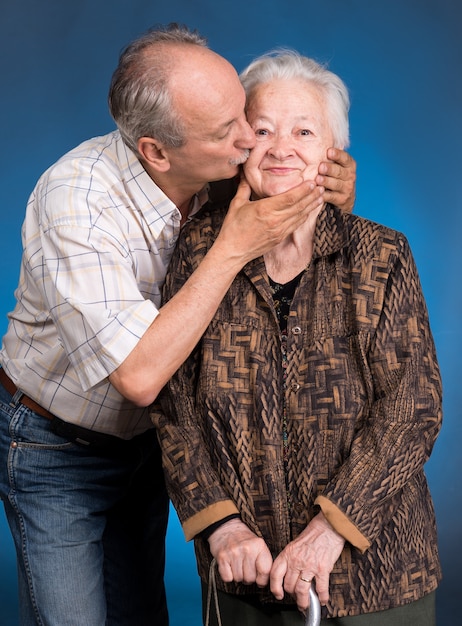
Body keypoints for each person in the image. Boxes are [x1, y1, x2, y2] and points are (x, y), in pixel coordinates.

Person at [0, 25, 356, 626]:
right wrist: (231, 249)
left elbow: (300, 213)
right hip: (55, 445)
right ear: (156, 152)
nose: (251, 141)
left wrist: (335, 190)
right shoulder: (75, 203)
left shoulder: (219, 167)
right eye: (230, 132)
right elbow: (138, 378)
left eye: (245, 117)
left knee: (142, 611)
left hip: (151, 445)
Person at [154, 50, 442, 626]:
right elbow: (173, 405)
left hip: (377, 573)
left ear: (333, 153)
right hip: (245, 573)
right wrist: (221, 524)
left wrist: (330, 529)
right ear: (238, 145)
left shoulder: (381, 256)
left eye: (304, 131)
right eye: (261, 130)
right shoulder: (196, 251)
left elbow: (413, 407)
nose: (281, 148)